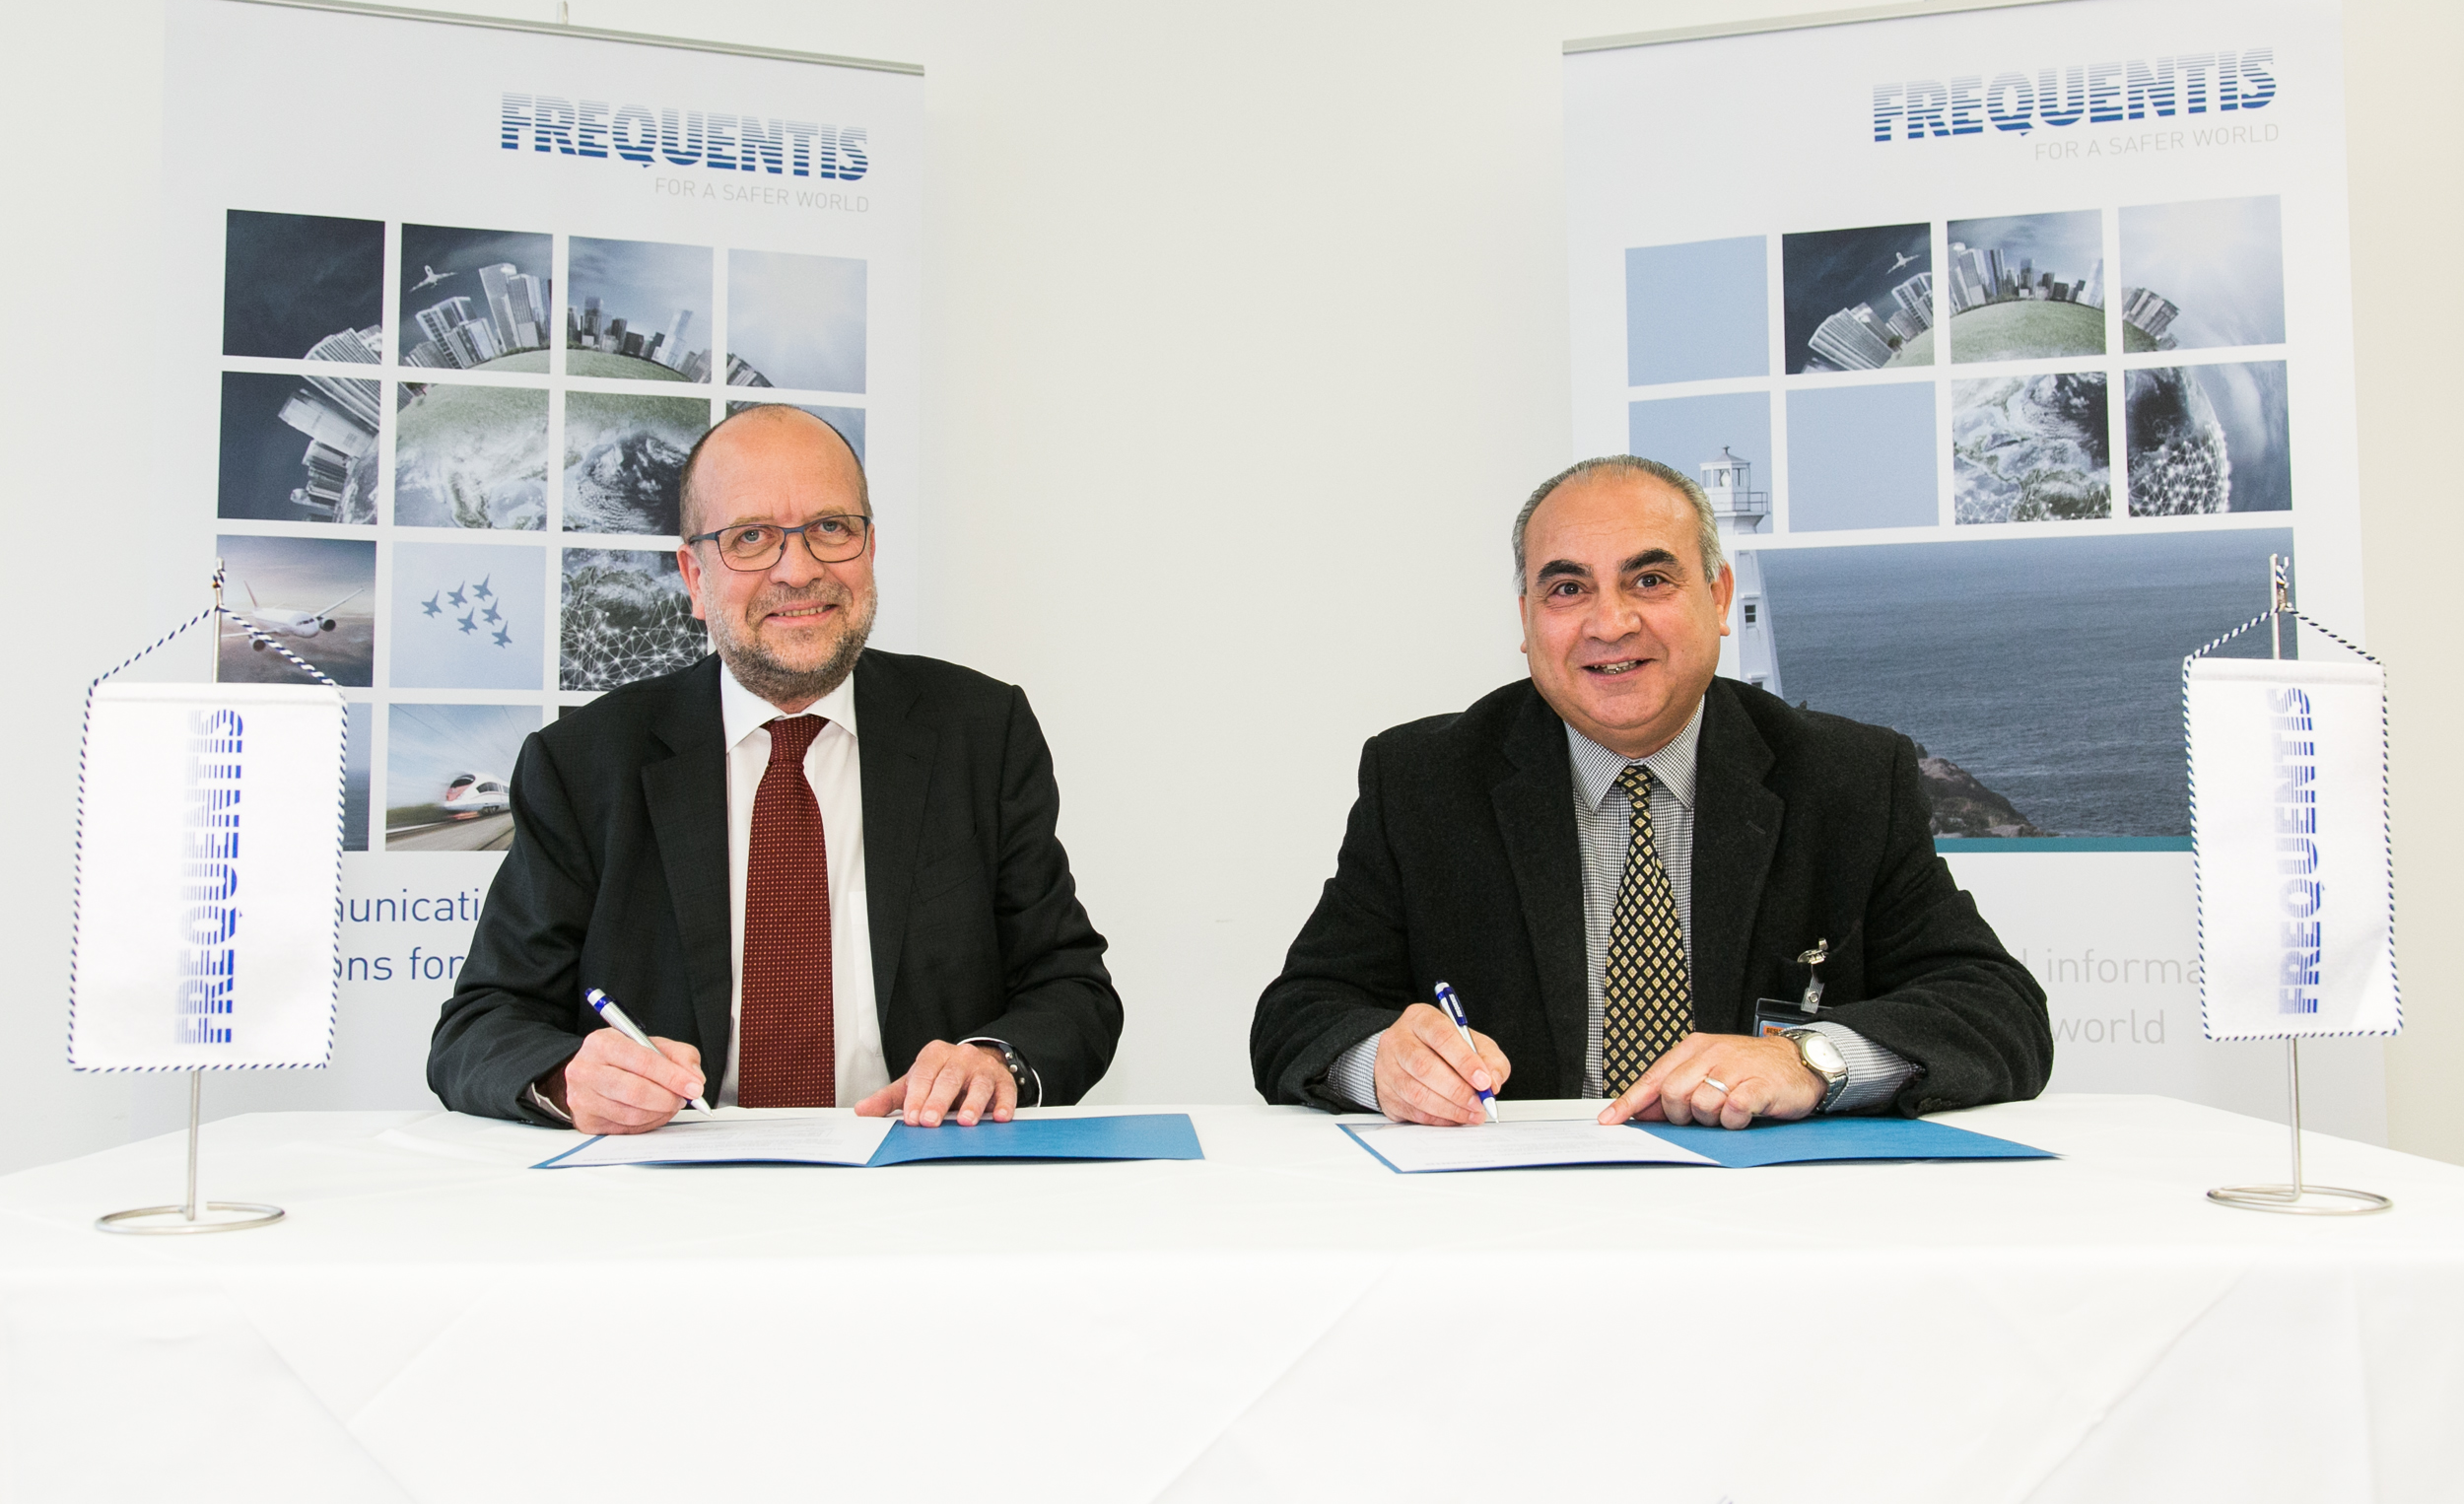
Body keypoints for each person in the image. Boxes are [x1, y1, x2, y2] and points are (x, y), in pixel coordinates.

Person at [1250, 454, 2051, 1129]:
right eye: (1568, 589)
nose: (1610, 622)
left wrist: (1807, 1059)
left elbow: (1997, 1008)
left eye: (1650, 578)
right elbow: (1299, 1014)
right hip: (1511, 1214)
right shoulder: (1425, 780)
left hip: (1771, 1213)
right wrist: (1380, 1062)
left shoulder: (1846, 777)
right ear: (1526, 620)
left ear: (1719, 597)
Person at [430, 405, 1122, 1134]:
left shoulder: (980, 732)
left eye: (832, 527)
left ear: (870, 548)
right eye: (751, 537)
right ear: (694, 578)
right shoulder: (584, 762)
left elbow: (1071, 989)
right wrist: (570, 1079)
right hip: (674, 1175)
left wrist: (995, 1061)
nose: (799, 569)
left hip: (917, 1165)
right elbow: (480, 1024)